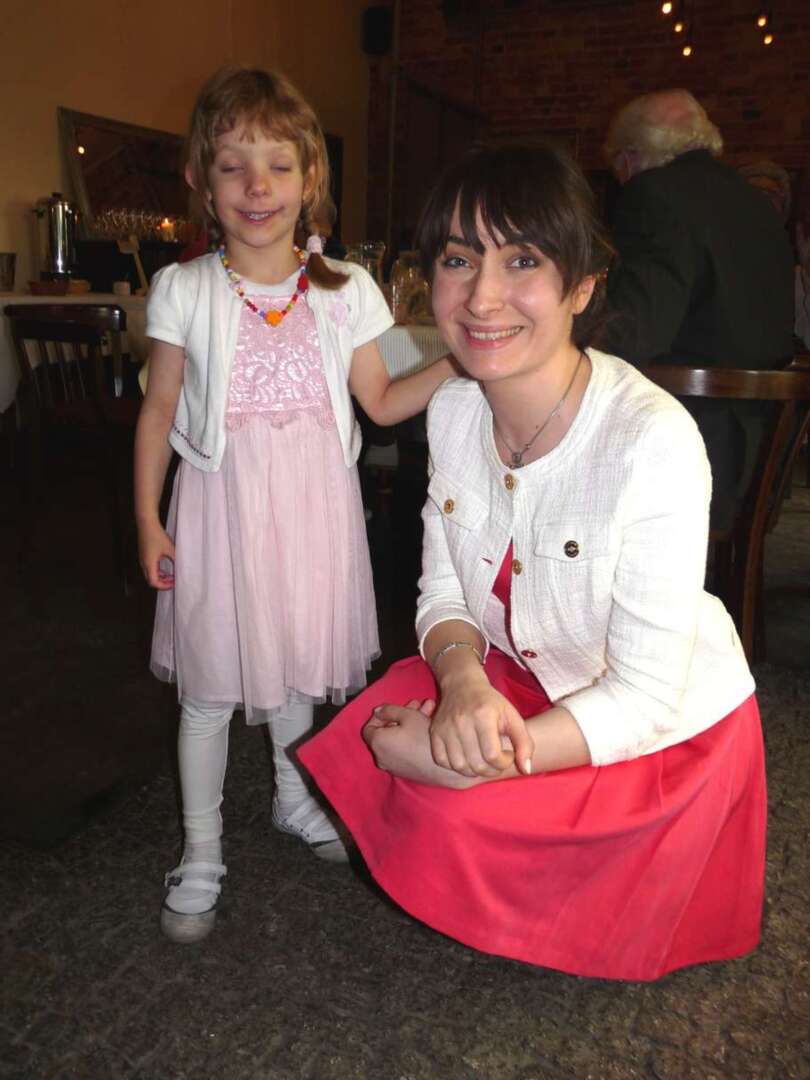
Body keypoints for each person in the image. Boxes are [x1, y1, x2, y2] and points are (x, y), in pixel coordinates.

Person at [299, 140, 766, 982]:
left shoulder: (651, 441)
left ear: (581, 287)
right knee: (376, 731)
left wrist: (466, 760)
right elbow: (442, 590)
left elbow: (644, 696)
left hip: (650, 721)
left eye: (522, 261)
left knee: (440, 794)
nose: (482, 298)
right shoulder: (452, 409)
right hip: (519, 666)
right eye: (457, 259)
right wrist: (462, 683)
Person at [134, 66, 454, 944]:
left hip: (314, 514)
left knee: (296, 666)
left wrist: (459, 359)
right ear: (201, 180)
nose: (258, 187)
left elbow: (380, 403)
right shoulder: (184, 289)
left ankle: (290, 795)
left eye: (278, 165)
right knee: (209, 686)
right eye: (233, 167)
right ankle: (202, 847)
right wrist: (149, 520)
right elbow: (159, 411)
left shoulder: (345, 288)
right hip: (220, 512)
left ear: (310, 177)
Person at [599, 89, 795, 529]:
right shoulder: (755, 202)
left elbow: (635, 333)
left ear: (630, 157)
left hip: (692, 450)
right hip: (759, 452)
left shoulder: (653, 194)